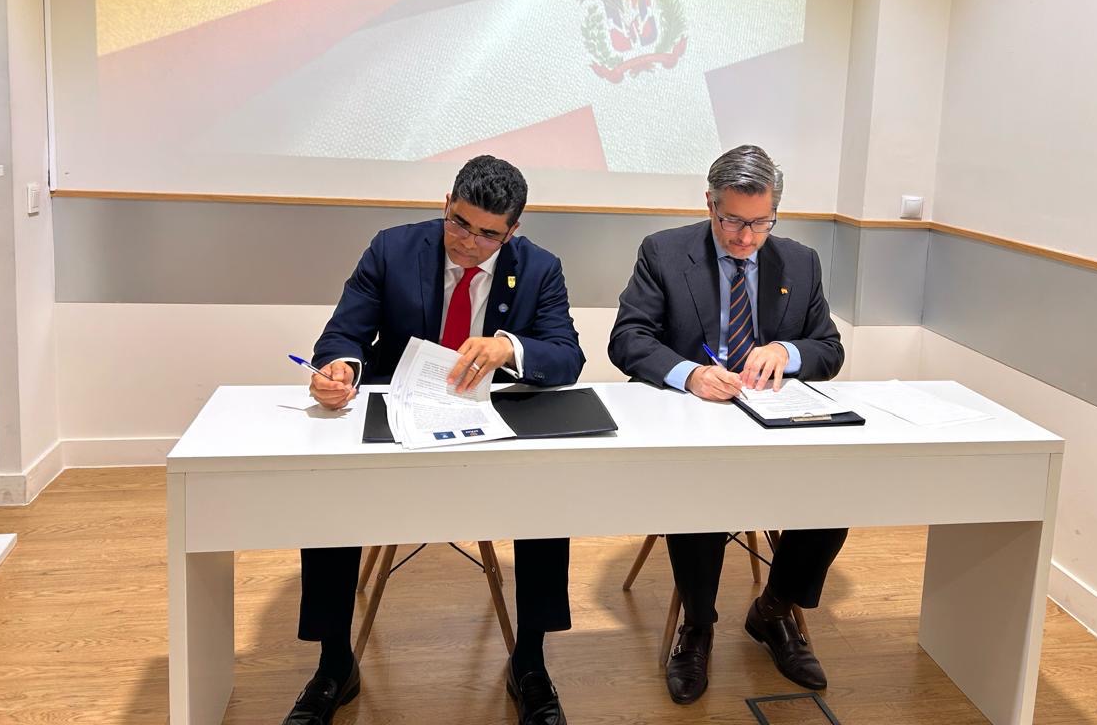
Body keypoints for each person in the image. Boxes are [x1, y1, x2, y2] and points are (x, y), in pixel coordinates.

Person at [285, 155, 584, 725]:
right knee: (330, 486)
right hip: (399, 411)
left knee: (546, 485)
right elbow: (344, 333)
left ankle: (530, 661)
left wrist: (510, 347)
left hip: (489, 419)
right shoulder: (393, 248)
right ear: (446, 203)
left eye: (488, 234)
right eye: (459, 223)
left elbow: (567, 356)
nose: (469, 242)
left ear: (513, 230)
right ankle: (333, 664)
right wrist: (340, 368)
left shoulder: (539, 268)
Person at [607, 144, 846, 704]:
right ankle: (698, 624)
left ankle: (774, 609)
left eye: (761, 223)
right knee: (702, 487)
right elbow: (627, 339)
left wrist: (785, 351)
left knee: (836, 486)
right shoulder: (664, 252)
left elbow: (829, 349)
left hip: (772, 424)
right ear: (710, 204)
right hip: (695, 425)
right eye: (733, 221)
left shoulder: (800, 262)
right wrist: (688, 374)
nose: (745, 237)